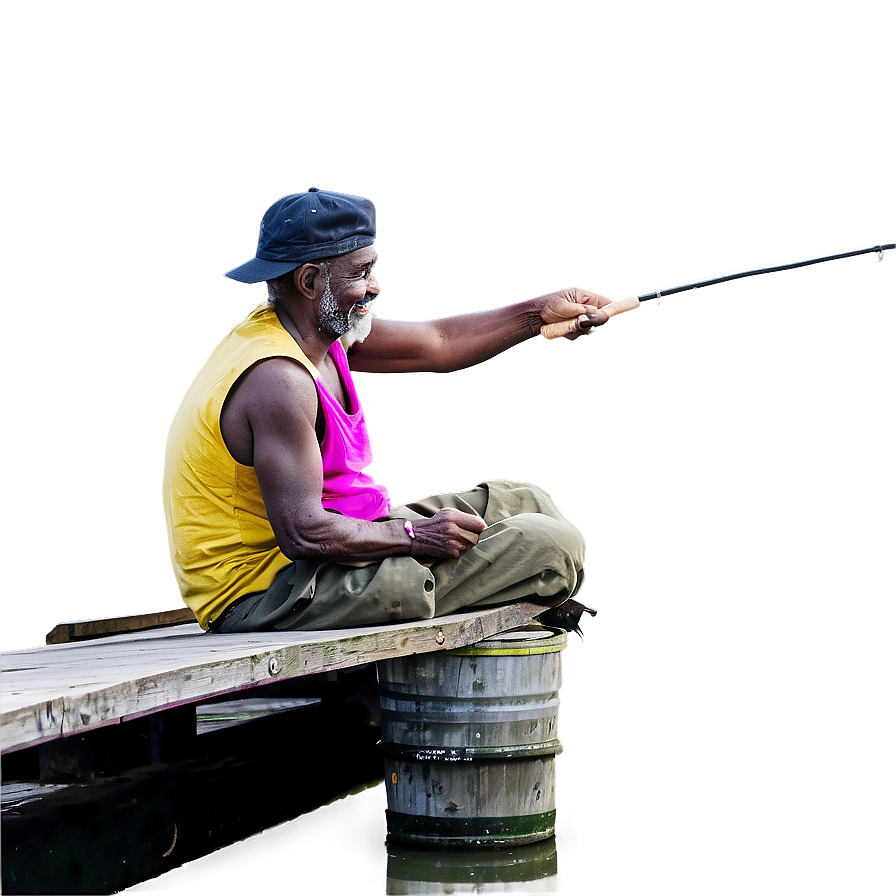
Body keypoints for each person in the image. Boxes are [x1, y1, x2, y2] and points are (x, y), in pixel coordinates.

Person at [162, 188, 612, 634]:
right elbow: (303, 532)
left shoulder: (316, 331)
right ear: (311, 281)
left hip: (336, 543)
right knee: (551, 545)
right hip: (268, 591)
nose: (375, 287)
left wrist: (538, 314)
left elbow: (439, 343)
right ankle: (515, 585)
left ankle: (507, 583)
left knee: (527, 502)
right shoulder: (278, 380)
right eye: (361, 273)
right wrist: (418, 537)